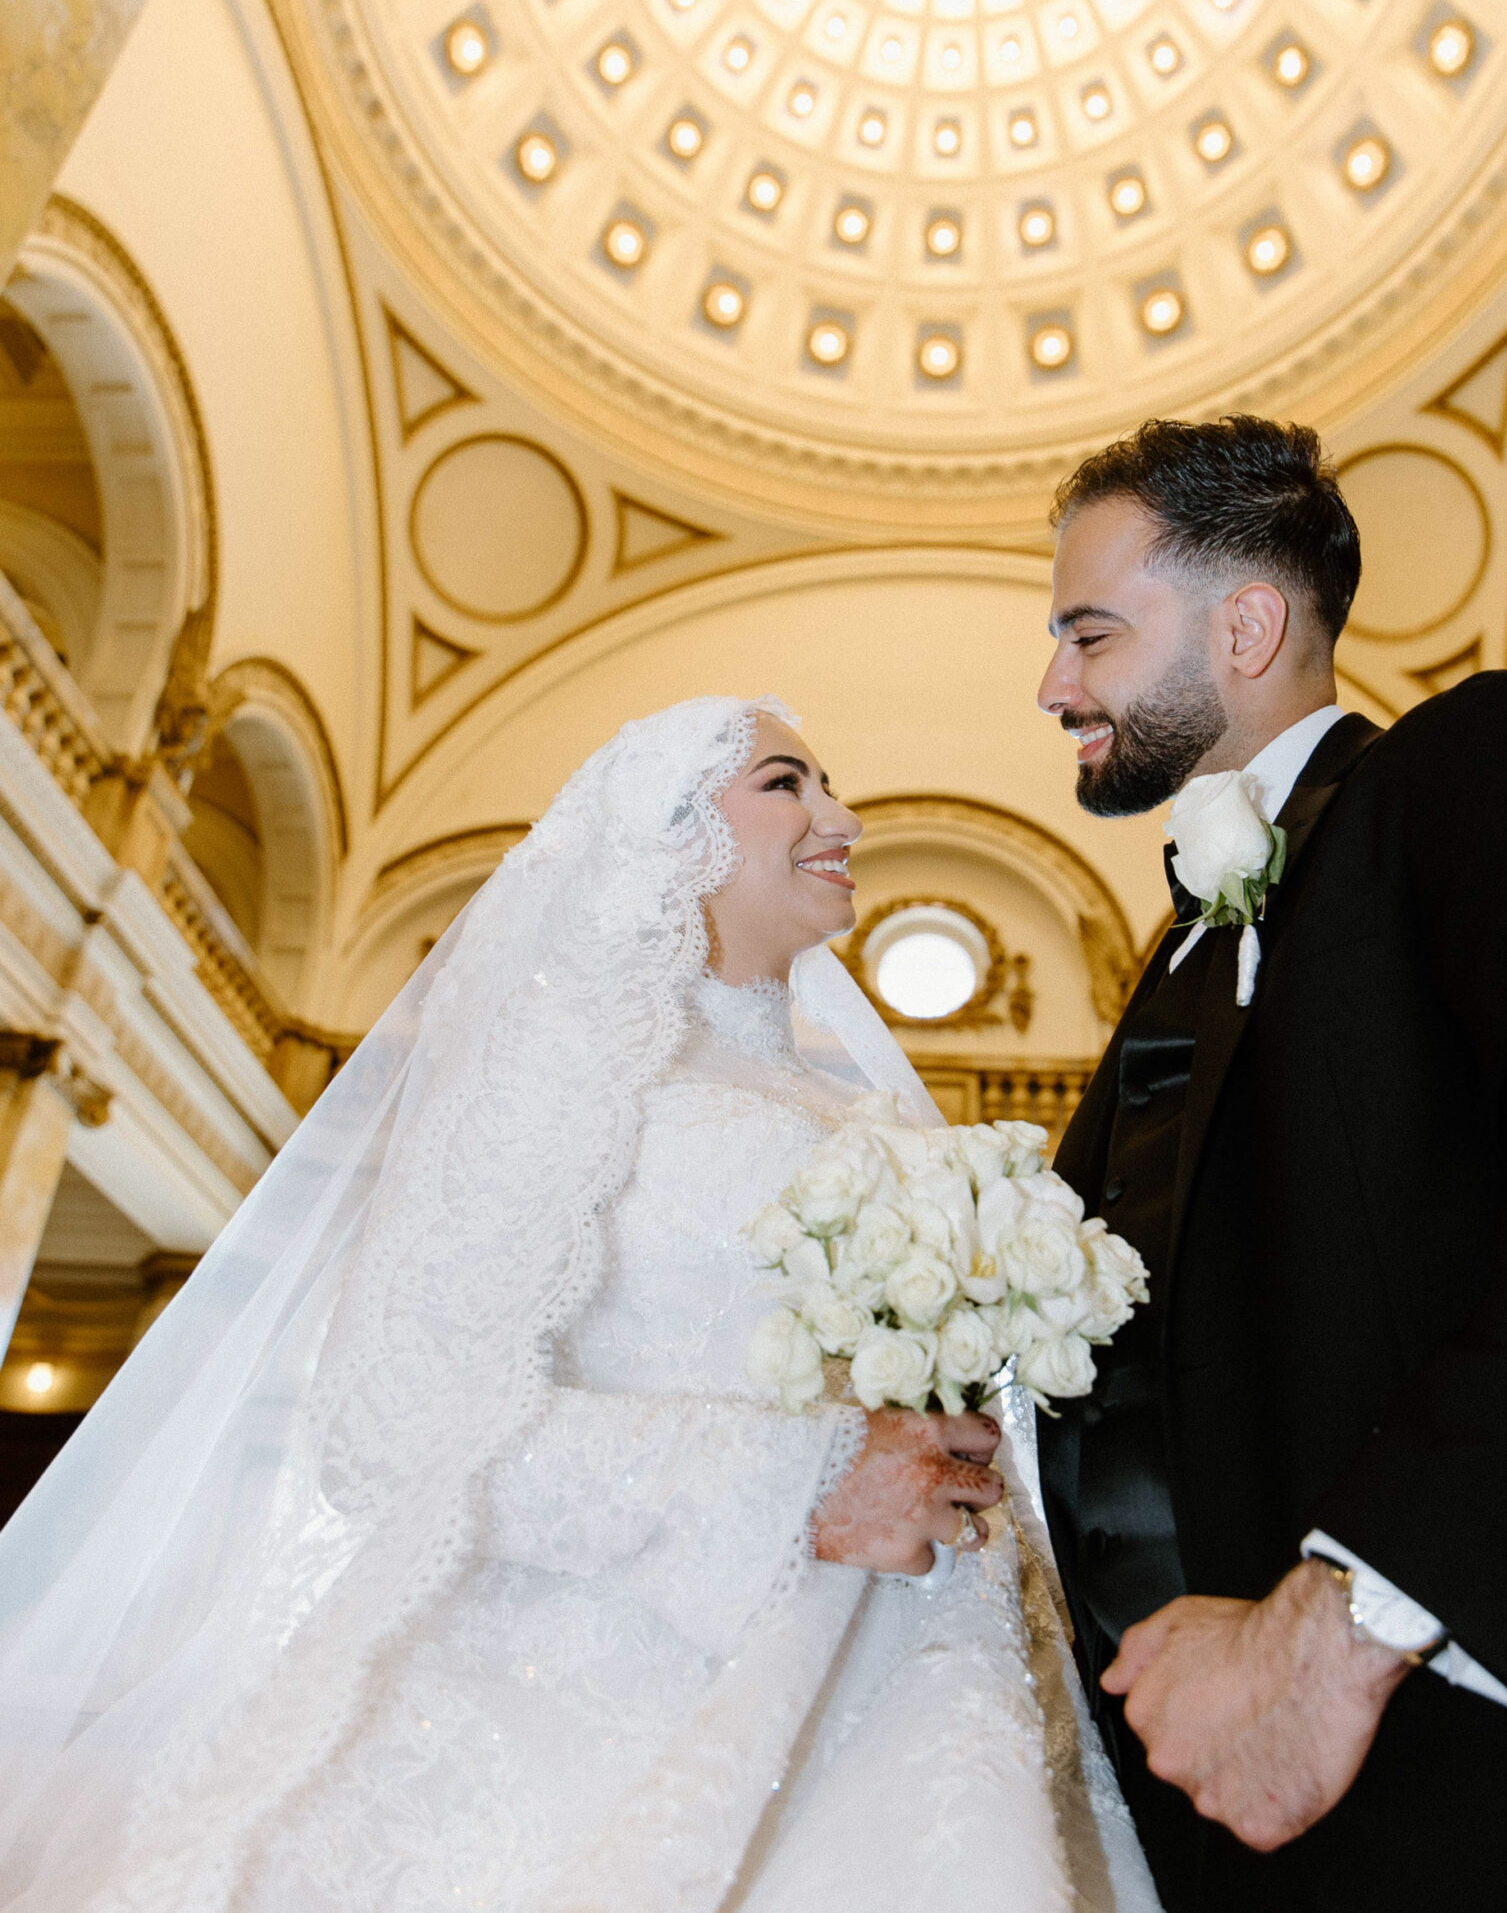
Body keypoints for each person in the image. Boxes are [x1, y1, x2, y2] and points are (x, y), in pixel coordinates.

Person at [0, 694, 1156, 1913]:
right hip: (612, 1709)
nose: (843, 817)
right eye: (787, 784)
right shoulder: (555, 1070)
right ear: (667, 830)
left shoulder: (866, 1118)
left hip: (927, 1696)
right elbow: (387, 1419)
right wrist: (805, 1480)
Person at [1033, 416, 1507, 1912]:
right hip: (1200, 1827)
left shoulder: (1481, 762)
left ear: (1247, 624)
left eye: (1089, 634)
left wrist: (1343, 1622)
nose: (1053, 688)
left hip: (1485, 1796)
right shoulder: (1176, 948)